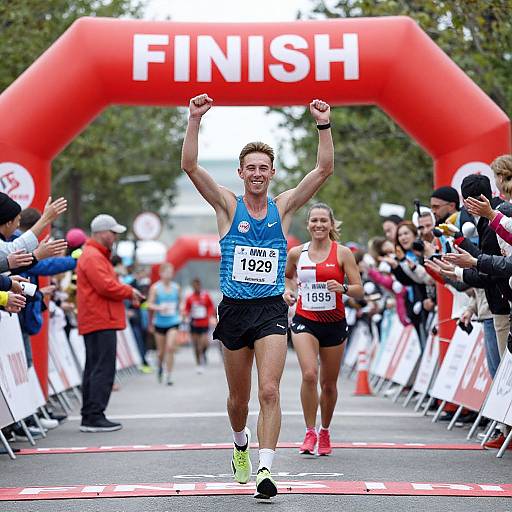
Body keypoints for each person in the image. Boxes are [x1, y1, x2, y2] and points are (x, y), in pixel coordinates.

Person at [181, 93, 333, 500]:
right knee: (238, 399)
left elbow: (322, 169)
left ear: (272, 173)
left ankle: (266, 468)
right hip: (234, 310)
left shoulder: (283, 208)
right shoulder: (228, 207)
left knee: (269, 390)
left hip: (269, 310)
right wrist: (194, 119)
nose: (257, 174)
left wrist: (323, 125)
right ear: (241, 171)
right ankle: (240, 444)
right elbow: (190, 166)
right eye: (251, 168)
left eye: (263, 168)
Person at [284, 203, 363, 455]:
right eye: (314, 221)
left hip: (334, 323)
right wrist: (289, 292)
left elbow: (359, 288)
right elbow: (287, 277)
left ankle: (325, 431)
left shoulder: (342, 253)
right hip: (305, 321)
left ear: (331, 224)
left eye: (323, 221)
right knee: (309, 374)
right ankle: (309, 432)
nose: (318, 225)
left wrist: (344, 289)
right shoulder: (297, 253)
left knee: (328, 384)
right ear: (308, 224)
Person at [77, 214, 144, 433]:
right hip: (100, 319)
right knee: (102, 368)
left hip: (98, 318)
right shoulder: (94, 256)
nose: (115, 237)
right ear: (101, 232)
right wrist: (129, 291)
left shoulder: (93, 255)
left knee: (94, 367)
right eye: (113, 232)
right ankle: (94, 416)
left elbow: (106, 285)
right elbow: (106, 286)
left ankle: (91, 414)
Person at [147, 263, 181, 385]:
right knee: (161, 352)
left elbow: (180, 304)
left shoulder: (176, 288)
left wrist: (182, 314)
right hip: (160, 323)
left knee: (170, 347)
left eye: (171, 272)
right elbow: (149, 304)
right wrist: (158, 307)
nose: (169, 274)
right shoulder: (155, 288)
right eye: (166, 272)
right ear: (161, 273)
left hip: (173, 321)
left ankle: (169, 375)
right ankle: (160, 366)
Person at [183, 277, 215, 373]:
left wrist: (209, 315)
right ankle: (198, 363)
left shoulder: (205, 295)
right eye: (194, 285)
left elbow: (211, 306)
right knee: (196, 345)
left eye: (198, 285)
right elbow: (187, 309)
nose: (196, 287)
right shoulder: (190, 297)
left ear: (200, 285)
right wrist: (186, 315)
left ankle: (203, 353)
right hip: (194, 323)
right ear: (192, 286)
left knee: (204, 343)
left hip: (204, 323)